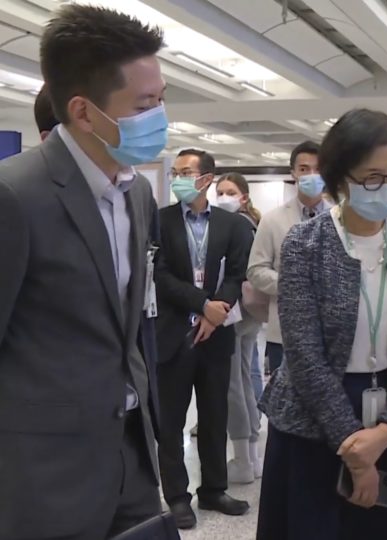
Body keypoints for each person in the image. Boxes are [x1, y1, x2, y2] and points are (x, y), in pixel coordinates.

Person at [0, 6, 165, 538]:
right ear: (84, 111)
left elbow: (123, 326)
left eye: (162, 100)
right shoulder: (14, 195)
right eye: (145, 105)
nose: (159, 116)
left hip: (132, 457)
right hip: (47, 472)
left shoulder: (136, 192)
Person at [257, 109, 387, 539]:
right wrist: (354, 450)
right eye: (372, 178)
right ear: (340, 180)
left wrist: (386, 432)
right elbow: (303, 355)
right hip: (314, 416)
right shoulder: (306, 244)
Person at [154, 149, 251, 529]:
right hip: (174, 333)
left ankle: (214, 489)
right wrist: (203, 305)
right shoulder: (159, 222)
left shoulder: (233, 226)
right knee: (172, 421)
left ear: (206, 179)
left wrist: (219, 309)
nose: (177, 177)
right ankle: (177, 496)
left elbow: (237, 273)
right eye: (174, 172)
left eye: (185, 172)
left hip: (216, 338)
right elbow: (160, 275)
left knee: (214, 416)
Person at [247, 140, 333, 378]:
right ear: (293, 173)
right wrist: (293, 285)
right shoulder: (273, 220)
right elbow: (256, 270)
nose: (311, 175)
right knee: (283, 405)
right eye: (304, 169)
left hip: (333, 333)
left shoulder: (342, 219)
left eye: (318, 169)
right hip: (284, 333)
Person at [215, 172, 264, 484]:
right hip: (249, 314)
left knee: (232, 383)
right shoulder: (252, 223)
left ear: (244, 196)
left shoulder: (236, 226)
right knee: (244, 378)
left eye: (229, 192)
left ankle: (244, 460)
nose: (223, 197)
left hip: (233, 312)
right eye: (219, 192)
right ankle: (253, 456)